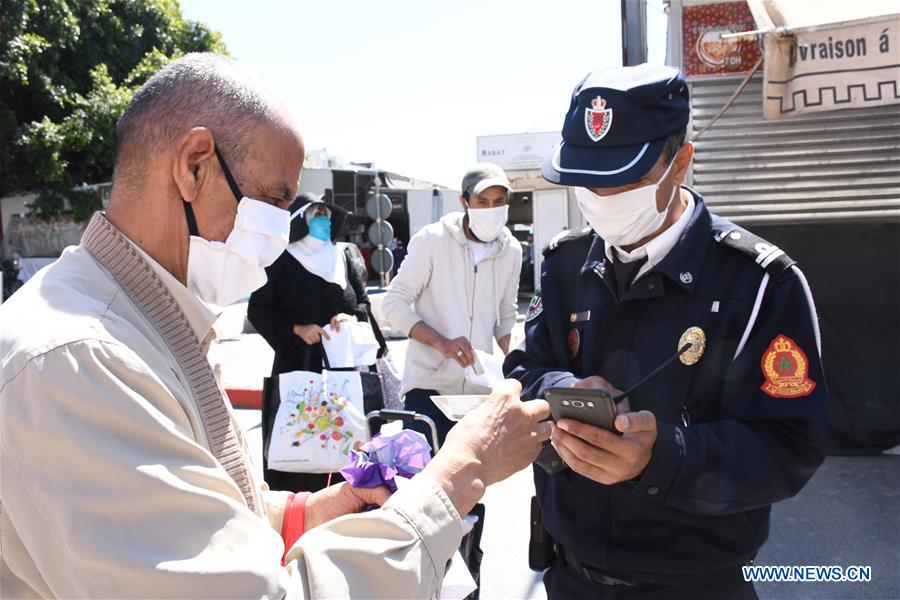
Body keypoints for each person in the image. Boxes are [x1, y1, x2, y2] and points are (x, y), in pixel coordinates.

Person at [0, 52, 552, 598]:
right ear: (194, 165)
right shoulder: (79, 362)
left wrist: (311, 511)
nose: (279, 231)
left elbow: (212, 517)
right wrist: (459, 474)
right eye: (273, 200)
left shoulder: (146, 323)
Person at [504, 64, 827, 599]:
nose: (601, 196)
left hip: (696, 586)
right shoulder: (563, 265)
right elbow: (523, 370)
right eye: (587, 179)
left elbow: (793, 443)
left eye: (624, 178)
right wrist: (562, 389)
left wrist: (663, 457)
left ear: (680, 162)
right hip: (568, 578)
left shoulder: (761, 282)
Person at [382, 163, 522, 444]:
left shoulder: (512, 251)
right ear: (464, 202)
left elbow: (506, 315)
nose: (491, 208)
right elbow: (393, 303)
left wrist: (518, 360)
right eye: (482, 201)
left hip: (478, 394)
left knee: (472, 483)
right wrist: (441, 343)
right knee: (423, 481)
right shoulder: (433, 240)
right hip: (428, 388)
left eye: (499, 201)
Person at [248, 194, 372, 493]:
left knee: (346, 450)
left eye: (327, 214)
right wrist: (296, 329)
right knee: (298, 450)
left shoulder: (343, 257)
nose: (324, 219)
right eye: (317, 213)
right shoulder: (281, 261)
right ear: (300, 219)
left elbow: (364, 305)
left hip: (343, 368)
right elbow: (258, 310)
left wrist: (350, 320)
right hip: (298, 365)